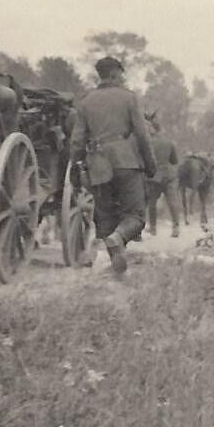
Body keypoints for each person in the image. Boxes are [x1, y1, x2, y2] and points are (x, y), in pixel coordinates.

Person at [69, 56, 156, 276]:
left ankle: (117, 266)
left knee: (106, 220)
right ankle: (118, 241)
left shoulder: (86, 102)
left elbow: (77, 141)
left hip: (98, 166)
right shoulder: (129, 98)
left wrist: (77, 167)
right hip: (127, 162)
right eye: (121, 74)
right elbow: (143, 135)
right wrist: (150, 164)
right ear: (116, 74)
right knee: (135, 217)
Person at [144, 114, 181, 238]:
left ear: (152, 129)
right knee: (172, 201)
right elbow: (175, 161)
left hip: (154, 176)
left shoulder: (147, 143)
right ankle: (176, 227)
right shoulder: (170, 142)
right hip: (169, 175)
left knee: (152, 202)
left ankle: (153, 228)